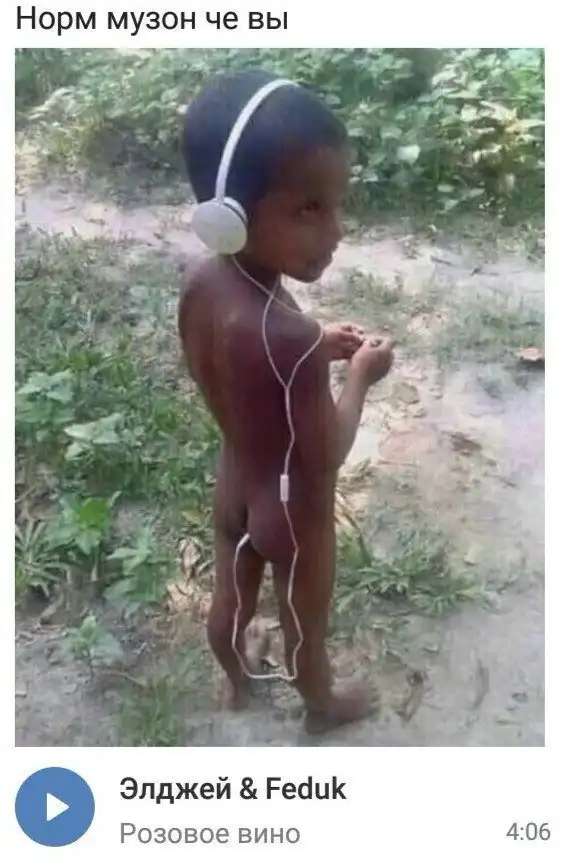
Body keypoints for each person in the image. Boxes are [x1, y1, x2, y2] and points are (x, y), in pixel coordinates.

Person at [179, 70, 394, 734]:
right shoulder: (290, 336)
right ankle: (321, 706)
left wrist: (318, 346)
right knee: (304, 621)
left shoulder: (201, 286)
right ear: (229, 218)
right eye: (310, 210)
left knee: (231, 597)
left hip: (235, 482)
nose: (336, 231)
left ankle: (237, 684)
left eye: (335, 206)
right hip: (293, 515)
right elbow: (325, 454)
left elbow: (236, 374)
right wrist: (360, 375)